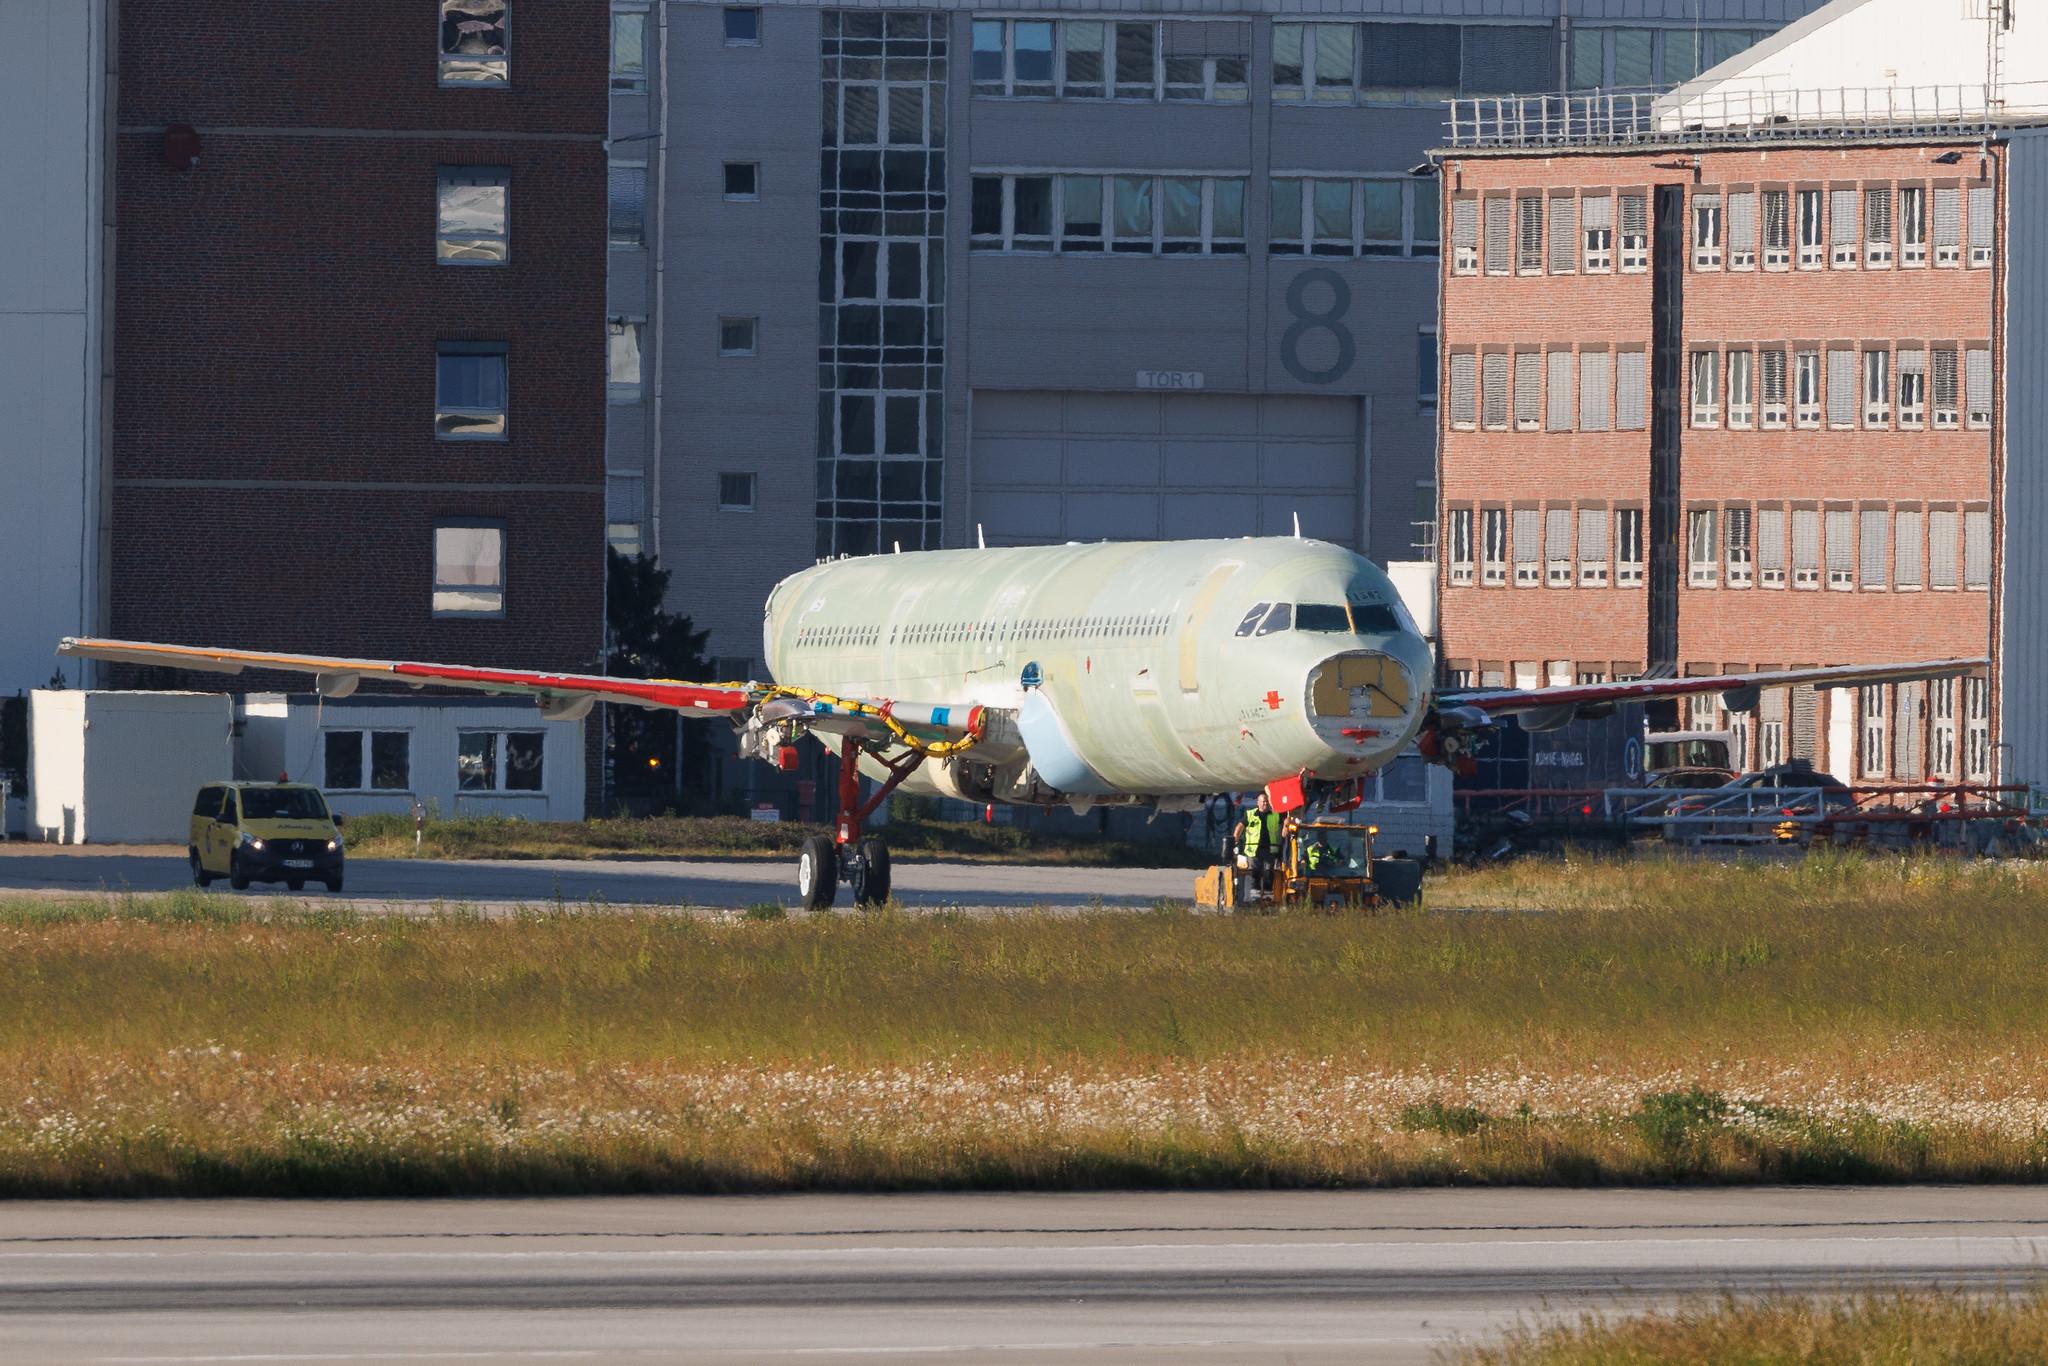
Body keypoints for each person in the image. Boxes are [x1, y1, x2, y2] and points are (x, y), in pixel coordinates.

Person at [1233, 792, 1282, 893]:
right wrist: (1235, 841)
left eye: (1267, 802)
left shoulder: (1275, 815)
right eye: (1263, 802)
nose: (1265, 804)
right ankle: (1255, 892)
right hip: (1254, 848)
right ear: (1258, 803)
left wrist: (1286, 826)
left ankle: (1268, 893)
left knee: (1269, 871)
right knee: (1255, 872)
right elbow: (1239, 827)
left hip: (1270, 848)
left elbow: (1284, 822)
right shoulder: (1250, 814)